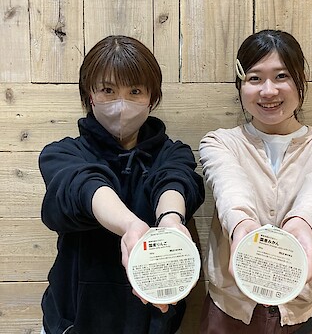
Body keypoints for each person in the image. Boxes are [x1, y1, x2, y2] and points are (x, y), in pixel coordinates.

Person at [39, 35, 205, 334]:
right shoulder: (62, 154)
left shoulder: (173, 153)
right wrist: (130, 226)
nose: (121, 103)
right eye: (107, 90)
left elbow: (173, 181)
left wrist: (171, 220)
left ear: (152, 97)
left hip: (151, 320)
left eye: (135, 91)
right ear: (90, 94)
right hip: (75, 321)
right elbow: (84, 186)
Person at [198, 29, 312, 333]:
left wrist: (302, 224)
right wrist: (242, 226)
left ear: (300, 80)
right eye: (255, 78)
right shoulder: (219, 143)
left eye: (281, 76)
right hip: (229, 313)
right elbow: (230, 186)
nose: (268, 91)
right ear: (240, 85)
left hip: (301, 315)